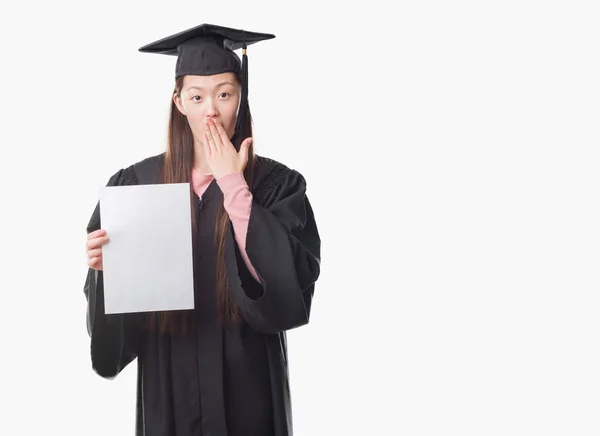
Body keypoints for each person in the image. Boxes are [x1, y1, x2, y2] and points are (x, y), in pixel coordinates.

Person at [83, 23, 321, 436]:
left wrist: (234, 185)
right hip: (169, 377)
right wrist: (107, 272)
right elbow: (115, 329)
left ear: (240, 99)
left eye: (224, 94)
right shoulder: (138, 183)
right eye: (197, 96)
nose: (210, 109)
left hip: (249, 382)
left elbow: (290, 286)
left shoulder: (277, 185)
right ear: (179, 102)